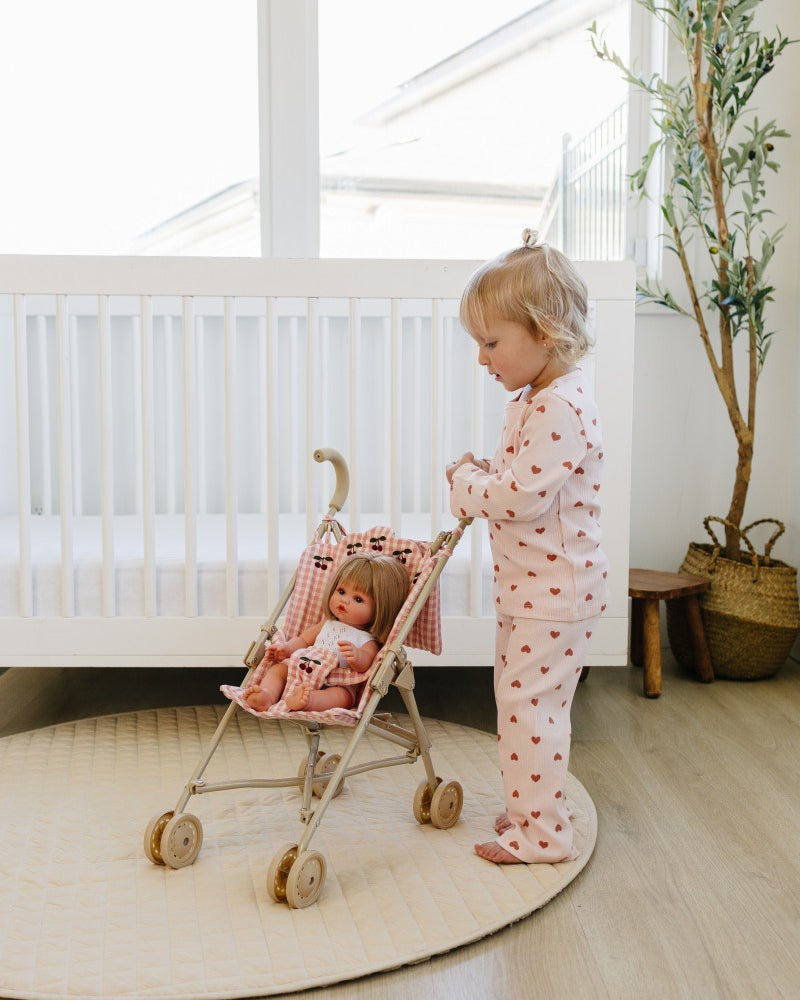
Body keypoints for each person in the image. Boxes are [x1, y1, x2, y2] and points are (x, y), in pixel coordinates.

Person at [446, 228, 609, 865]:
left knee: (528, 710)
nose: (483, 359)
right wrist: (483, 469)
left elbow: (519, 498)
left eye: (491, 343)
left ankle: (542, 835)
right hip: (531, 587)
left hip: (554, 594)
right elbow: (521, 474)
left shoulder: (560, 407)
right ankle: (533, 808)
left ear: (545, 332)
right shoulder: (535, 399)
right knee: (525, 707)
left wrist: (467, 484)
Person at [242, 552, 410, 712]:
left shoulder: (367, 639)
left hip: (335, 679)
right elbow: (303, 640)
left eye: (358, 599)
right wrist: (286, 649)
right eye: (341, 591)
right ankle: (266, 695)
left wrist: (357, 657)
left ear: (380, 609)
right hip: (304, 666)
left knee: (342, 697)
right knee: (278, 670)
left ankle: (308, 701)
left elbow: (366, 663)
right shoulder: (326, 624)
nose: (344, 600)